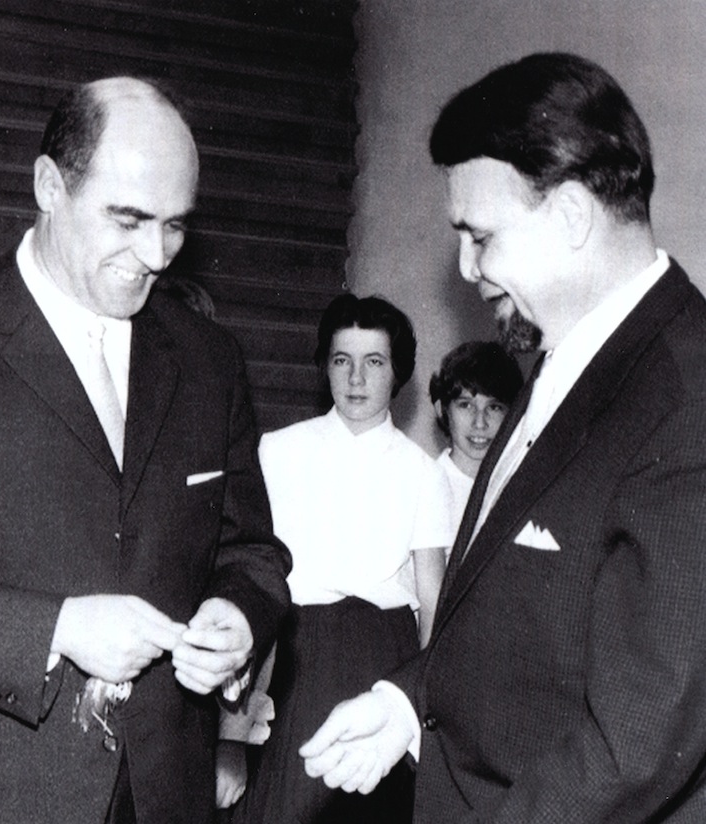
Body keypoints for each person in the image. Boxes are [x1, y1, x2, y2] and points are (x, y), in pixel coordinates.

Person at [0, 77, 291, 824]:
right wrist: (58, 627)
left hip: (163, 792)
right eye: (128, 220)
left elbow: (252, 552)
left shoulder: (210, 360)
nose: (155, 254)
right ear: (49, 186)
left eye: (174, 226)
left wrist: (238, 615)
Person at [299, 51, 706, 821]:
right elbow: (507, 611)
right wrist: (406, 700)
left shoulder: (687, 397)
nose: (465, 267)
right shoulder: (559, 357)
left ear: (572, 215)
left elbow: (639, 740)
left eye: (479, 236)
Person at [219, 293, 452, 823]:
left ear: (398, 373)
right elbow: (250, 579)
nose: (356, 378)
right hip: (292, 656)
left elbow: (433, 606)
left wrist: (418, 713)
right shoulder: (277, 450)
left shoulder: (422, 471)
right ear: (325, 367)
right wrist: (231, 732)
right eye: (342, 360)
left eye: (375, 362)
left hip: (383, 660)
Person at [428, 341, 523, 529]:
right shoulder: (425, 488)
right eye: (466, 405)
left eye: (494, 407)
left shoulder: (518, 488)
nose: (480, 423)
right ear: (442, 410)